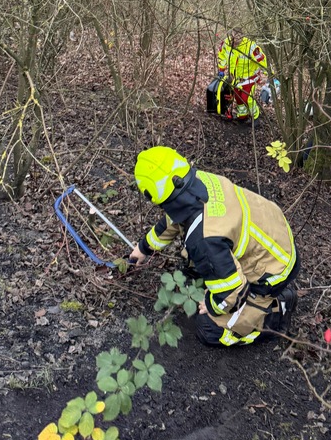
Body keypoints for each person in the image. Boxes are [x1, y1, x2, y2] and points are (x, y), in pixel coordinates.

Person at [128, 146, 299, 347]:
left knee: (209, 329)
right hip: (273, 234)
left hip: (273, 270)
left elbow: (233, 292)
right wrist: (143, 248)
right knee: (200, 262)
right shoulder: (199, 181)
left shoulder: (204, 239)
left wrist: (211, 305)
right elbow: (174, 219)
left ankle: (276, 313)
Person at [216, 32, 267, 125]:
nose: (235, 41)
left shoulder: (251, 46)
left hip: (249, 78)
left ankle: (255, 117)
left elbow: (262, 60)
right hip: (235, 78)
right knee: (238, 98)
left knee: (247, 98)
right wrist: (221, 69)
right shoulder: (226, 43)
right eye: (233, 38)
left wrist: (267, 74)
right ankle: (242, 116)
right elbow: (222, 55)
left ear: (242, 37)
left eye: (238, 39)